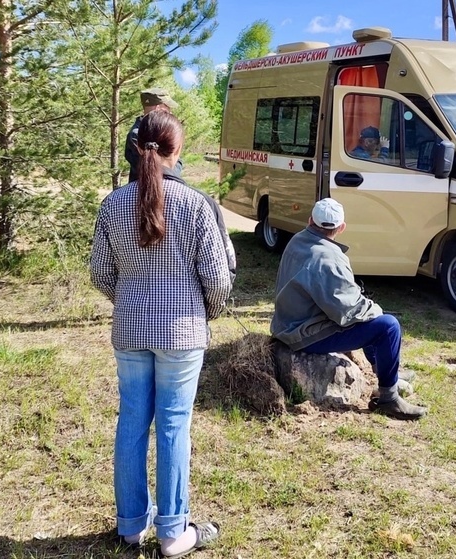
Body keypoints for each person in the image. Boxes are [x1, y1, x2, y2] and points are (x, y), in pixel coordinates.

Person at [91, 110, 232, 556]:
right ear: (177, 151)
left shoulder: (112, 203)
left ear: (137, 148)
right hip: (183, 332)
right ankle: (173, 533)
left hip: (130, 330)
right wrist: (206, 311)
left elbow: (99, 273)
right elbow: (217, 277)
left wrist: (128, 301)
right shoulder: (197, 205)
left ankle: (131, 526)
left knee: (132, 420)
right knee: (174, 424)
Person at [270, 198, 428, 421]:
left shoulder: (298, 240)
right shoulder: (328, 257)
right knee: (387, 326)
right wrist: (376, 309)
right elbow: (348, 309)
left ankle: (385, 372)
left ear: (309, 221)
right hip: (303, 334)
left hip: (288, 323)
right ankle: (389, 399)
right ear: (341, 228)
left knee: (372, 322)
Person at [125, 88, 182, 183]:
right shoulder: (136, 135)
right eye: (168, 107)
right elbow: (166, 169)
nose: (170, 111)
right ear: (159, 108)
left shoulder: (148, 130)